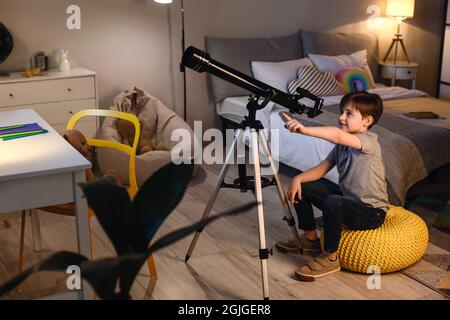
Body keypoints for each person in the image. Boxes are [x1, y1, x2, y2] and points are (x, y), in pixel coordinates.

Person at [277, 91, 389, 281]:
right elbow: (321, 170)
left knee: (334, 202)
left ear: (367, 121)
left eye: (349, 114)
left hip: (371, 212)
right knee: (304, 185)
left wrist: (304, 129)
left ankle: (330, 258)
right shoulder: (341, 147)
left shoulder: (369, 142)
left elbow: (336, 135)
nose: (341, 117)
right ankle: (311, 238)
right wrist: (297, 179)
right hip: (349, 201)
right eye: (341, 112)